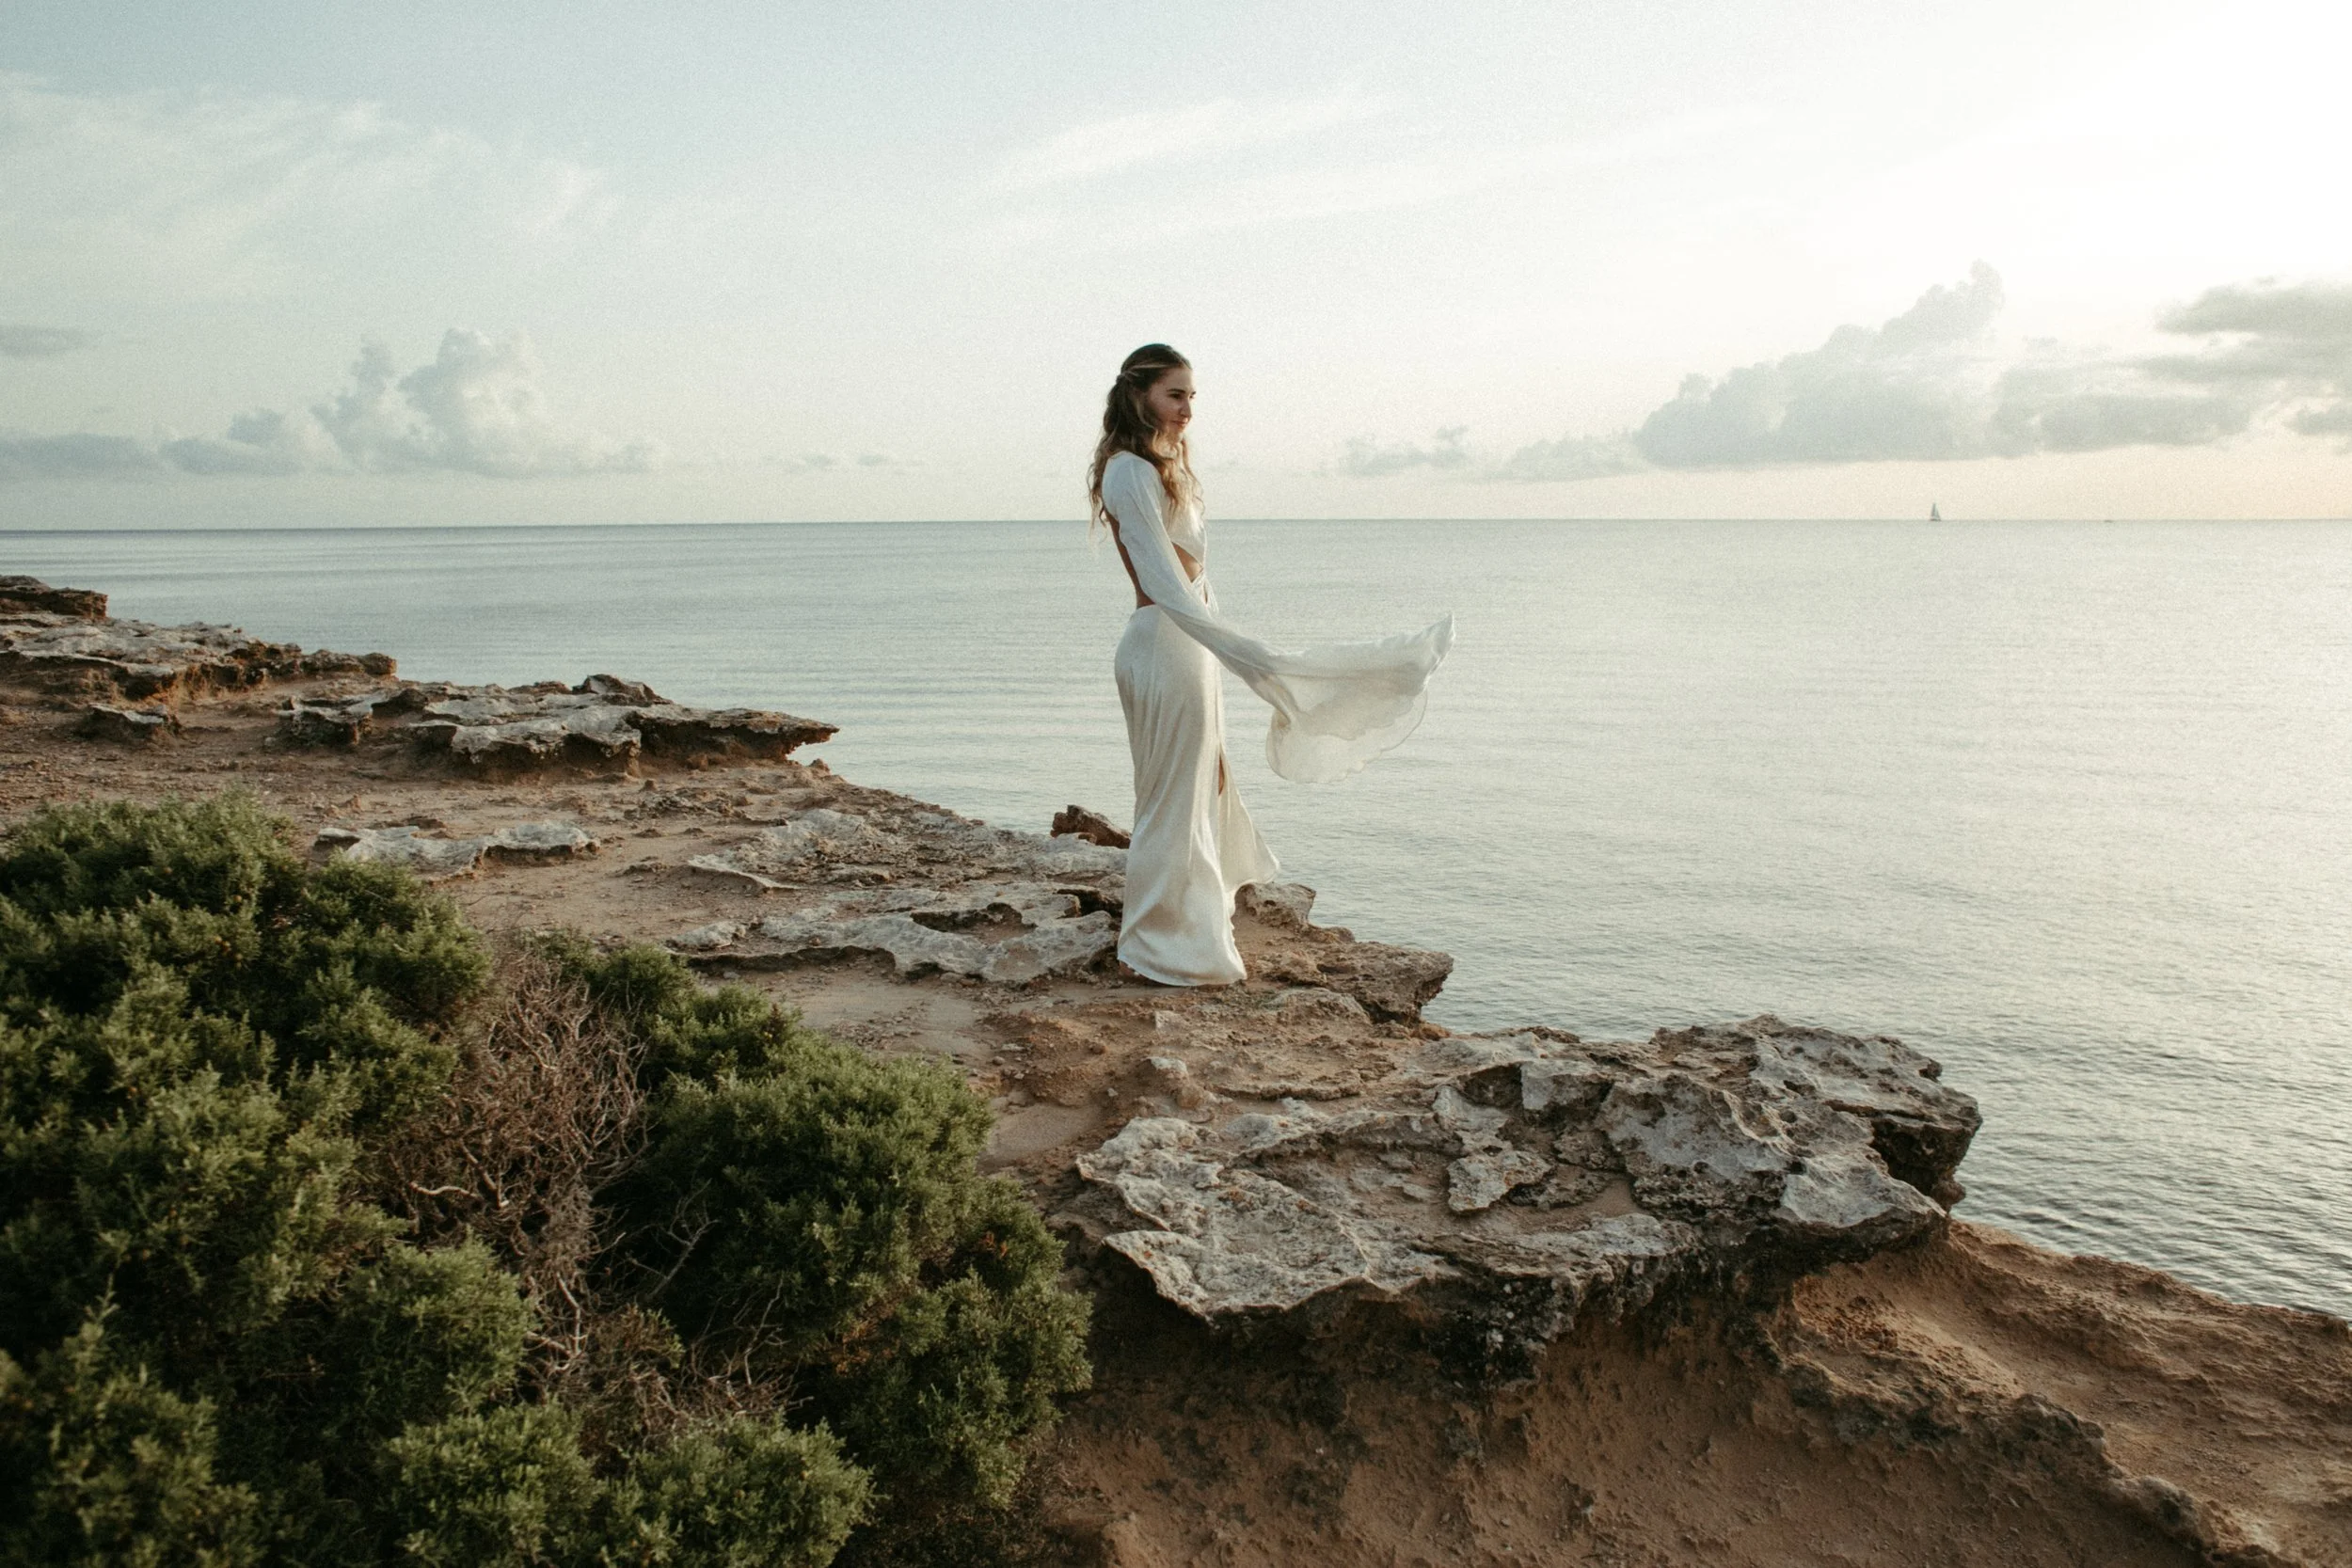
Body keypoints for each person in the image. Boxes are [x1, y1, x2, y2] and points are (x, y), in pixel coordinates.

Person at [1089, 342, 1454, 986]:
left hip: (1186, 646)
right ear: (1139, 393)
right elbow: (1167, 586)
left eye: (1193, 397)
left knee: (1198, 788)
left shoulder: (1160, 467)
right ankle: (1151, 942)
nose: (1187, 411)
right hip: (1162, 645)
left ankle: (1172, 929)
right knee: (1169, 799)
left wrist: (1228, 650)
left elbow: (1196, 586)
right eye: (1175, 395)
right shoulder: (1129, 471)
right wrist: (1255, 657)